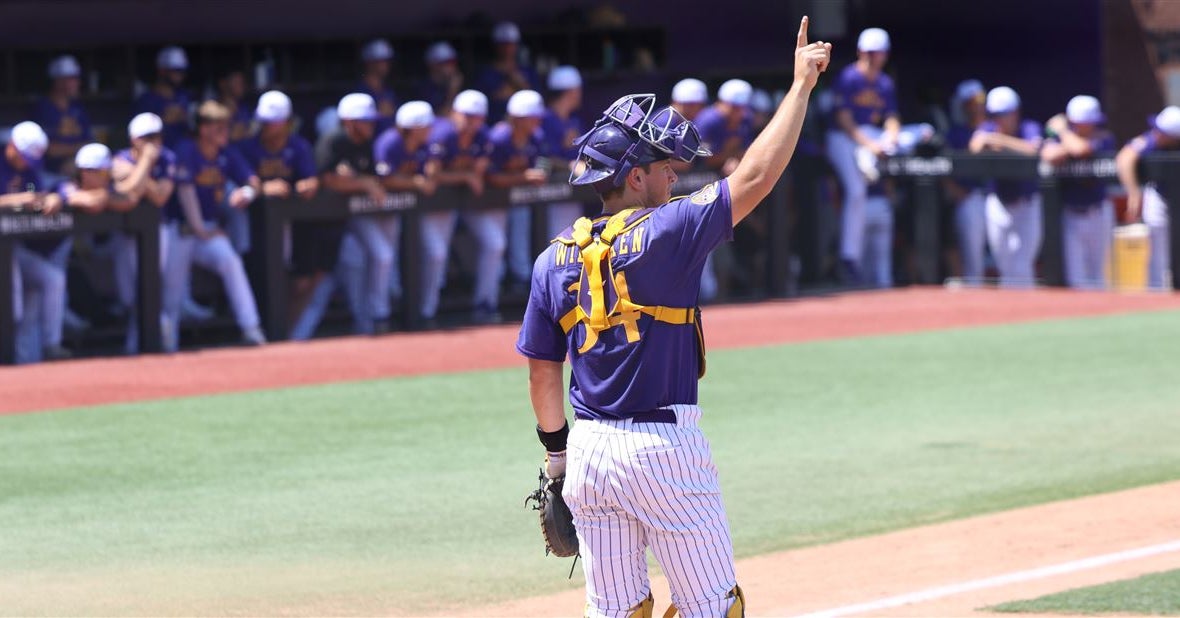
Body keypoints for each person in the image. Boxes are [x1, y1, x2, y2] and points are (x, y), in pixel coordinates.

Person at [518, 18, 830, 616]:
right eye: (664, 167)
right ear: (634, 176)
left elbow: (541, 375)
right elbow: (757, 176)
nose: (674, 175)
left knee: (616, 612)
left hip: (589, 455)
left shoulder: (551, 258)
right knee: (713, 608)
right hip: (664, 449)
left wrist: (558, 461)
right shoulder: (670, 229)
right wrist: (800, 88)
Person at [826, 28, 931, 282]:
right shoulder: (849, 77)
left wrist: (892, 135)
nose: (874, 57)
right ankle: (849, 256)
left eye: (878, 53)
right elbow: (844, 120)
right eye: (870, 52)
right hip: (843, 138)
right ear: (861, 52)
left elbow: (891, 117)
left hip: (871, 137)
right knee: (857, 190)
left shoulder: (884, 82)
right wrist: (871, 145)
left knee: (923, 131)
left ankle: (871, 158)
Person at [164, 100, 265, 351]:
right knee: (171, 295)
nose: (225, 132)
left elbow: (253, 181)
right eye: (219, 127)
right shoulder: (186, 149)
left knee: (231, 262)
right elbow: (185, 192)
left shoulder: (226, 153)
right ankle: (167, 347)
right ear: (203, 128)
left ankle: (251, 329)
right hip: (180, 230)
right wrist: (201, 229)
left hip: (206, 230)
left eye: (226, 126)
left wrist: (246, 193)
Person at [296, 93, 387, 337]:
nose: (370, 125)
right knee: (312, 287)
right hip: (316, 226)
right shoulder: (332, 140)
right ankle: (294, 339)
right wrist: (361, 183)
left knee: (353, 266)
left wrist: (357, 180)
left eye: (371, 120)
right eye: (365, 121)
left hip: (343, 226)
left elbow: (373, 178)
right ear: (349, 121)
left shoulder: (365, 143)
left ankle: (367, 329)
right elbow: (328, 180)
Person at [233, 90, 320, 321]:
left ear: (287, 122)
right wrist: (263, 188)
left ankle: (285, 326)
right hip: (252, 224)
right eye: (265, 121)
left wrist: (308, 184)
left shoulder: (298, 146)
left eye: (274, 122)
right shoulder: (247, 147)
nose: (268, 126)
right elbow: (243, 182)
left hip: (292, 224)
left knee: (298, 277)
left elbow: (310, 178)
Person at [418, 89, 499, 325]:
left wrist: (470, 173)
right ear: (455, 113)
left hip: (466, 201)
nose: (472, 122)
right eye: (467, 116)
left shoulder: (482, 135)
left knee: (495, 243)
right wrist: (465, 175)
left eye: (477, 117)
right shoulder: (442, 133)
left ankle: (485, 304)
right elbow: (432, 175)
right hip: (432, 203)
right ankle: (426, 312)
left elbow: (480, 169)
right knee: (436, 255)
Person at [366, 100, 440, 332]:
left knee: (391, 257)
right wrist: (416, 182)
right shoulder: (389, 142)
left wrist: (429, 172)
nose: (430, 129)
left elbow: (432, 168)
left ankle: (414, 310)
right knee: (380, 258)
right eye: (426, 125)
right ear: (414, 127)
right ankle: (378, 316)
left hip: (400, 211)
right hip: (372, 210)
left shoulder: (425, 144)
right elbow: (385, 178)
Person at [111, 112, 177, 354]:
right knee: (128, 296)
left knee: (148, 289)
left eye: (157, 136)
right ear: (134, 139)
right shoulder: (119, 158)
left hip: (158, 232)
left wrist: (137, 172)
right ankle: (153, 331)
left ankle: (142, 345)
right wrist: (145, 167)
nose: (154, 143)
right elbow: (126, 191)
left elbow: (160, 197)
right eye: (148, 138)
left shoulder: (167, 157)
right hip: (126, 234)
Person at [0, 122, 65, 362]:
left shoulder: (28, 171)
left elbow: (35, 192)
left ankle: (52, 347)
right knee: (14, 307)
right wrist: (17, 199)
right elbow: (22, 197)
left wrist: (54, 197)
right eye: (24, 156)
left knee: (53, 279)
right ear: (12, 146)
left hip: (12, 248)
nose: (26, 163)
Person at [970, 86, 1043, 288]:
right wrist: (990, 140)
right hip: (998, 202)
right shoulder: (987, 128)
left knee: (1022, 265)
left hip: (1027, 204)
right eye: (994, 115)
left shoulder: (1028, 127)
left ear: (1015, 113)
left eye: (1002, 115)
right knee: (1004, 265)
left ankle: (1025, 304)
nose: (998, 120)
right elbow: (975, 146)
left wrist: (1000, 141)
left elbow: (1033, 150)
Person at [1042, 95, 1117, 290]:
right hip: (1071, 215)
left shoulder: (1103, 138)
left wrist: (1062, 132)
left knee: (1099, 275)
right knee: (1076, 279)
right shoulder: (1062, 138)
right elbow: (1049, 154)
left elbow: (1081, 149)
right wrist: (1065, 140)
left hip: (1099, 212)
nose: (1092, 125)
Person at [494, 89, 548, 312]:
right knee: (495, 244)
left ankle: (520, 281)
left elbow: (542, 163)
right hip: (492, 201)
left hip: (518, 199)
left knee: (521, 232)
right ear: (517, 118)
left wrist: (540, 172)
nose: (537, 121)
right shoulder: (499, 138)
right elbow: (490, 176)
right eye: (532, 117)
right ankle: (496, 289)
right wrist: (523, 176)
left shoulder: (536, 136)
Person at [1116, 105, 1180, 289]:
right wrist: (1134, 192)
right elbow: (1125, 158)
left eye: (1163, 133)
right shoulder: (1151, 140)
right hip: (1160, 197)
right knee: (1158, 254)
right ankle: (1155, 294)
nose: (1156, 134)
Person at [944, 79, 988, 285]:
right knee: (973, 260)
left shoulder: (994, 128)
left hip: (1001, 197)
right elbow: (942, 170)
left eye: (979, 100)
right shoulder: (956, 134)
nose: (976, 106)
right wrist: (957, 192)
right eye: (971, 102)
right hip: (971, 198)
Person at [31, 55, 94, 185]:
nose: (77, 83)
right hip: (49, 173)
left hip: (78, 168)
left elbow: (90, 141)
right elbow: (49, 149)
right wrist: (78, 148)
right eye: (71, 79)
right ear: (58, 81)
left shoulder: (78, 108)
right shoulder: (43, 108)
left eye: (76, 78)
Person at [540, 65, 585, 237]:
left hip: (574, 191)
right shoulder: (545, 119)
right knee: (556, 240)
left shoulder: (574, 120)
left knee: (574, 240)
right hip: (550, 191)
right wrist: (569, 165)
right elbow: (541, 159)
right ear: (571, 92)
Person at [473, 21, 541, 123]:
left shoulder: (528, 71)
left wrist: (520, 84)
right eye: (503, 44)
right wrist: (506, 91)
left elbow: (537, 100)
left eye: (511, 44)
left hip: (523, 125)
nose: (507, 48)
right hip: (494, 123)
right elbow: (480, 103)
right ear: (495, 46)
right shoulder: (485, 74)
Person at [134, 46, 193, 148]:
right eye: (176, 71)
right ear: (162, 71)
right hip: (158, 153)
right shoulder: (146, 100)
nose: (180, 75)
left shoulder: (185, 96)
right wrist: (163, 120)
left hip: (184, 152)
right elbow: (137, 135)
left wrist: (186, 117)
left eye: (182, 71)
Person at [358, 39, 398, 133]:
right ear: (370, 63)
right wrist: (378, 112)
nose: (386, 65)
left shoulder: (388, 90)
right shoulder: (360, 91)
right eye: (381, 61)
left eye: (387, 61)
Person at [417, 41, 464, 116]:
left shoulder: (454, 83)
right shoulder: (423, 89)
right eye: (446, 62)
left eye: (453, 62)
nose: (451, 66)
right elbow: (439, 118)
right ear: (433, 65)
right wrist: (453, 92)